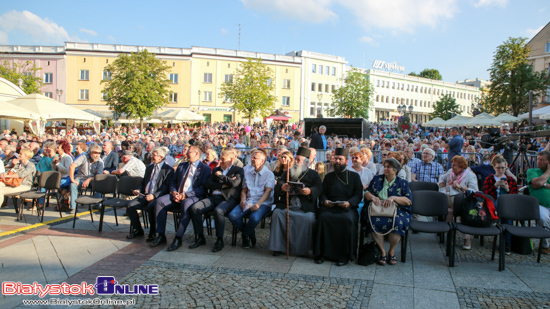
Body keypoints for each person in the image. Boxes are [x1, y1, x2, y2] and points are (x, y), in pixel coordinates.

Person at [150, 145, 211, 250]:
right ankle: (160, 235)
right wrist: (173, 191)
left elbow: (203, 188)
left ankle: (178, 238)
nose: (186, 154)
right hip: (177, 194)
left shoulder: (205, 168)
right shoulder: (182, 165)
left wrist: (185, 195)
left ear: (196, 154)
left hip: (193, 196)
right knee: (159, 202)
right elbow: (173, 181)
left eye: (189, 152)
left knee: (186, 204)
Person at [268, 147, 322, 256]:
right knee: (277, 214)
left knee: (309, 219)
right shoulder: (288, 172)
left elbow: (319, 188)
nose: (295, 162)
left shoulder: (314, 174)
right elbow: (280, 183)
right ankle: (278, 247)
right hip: (288, 204)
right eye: (295, 159)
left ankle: (304, 249)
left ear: (306, 162)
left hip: (304, 207)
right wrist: (283, 187)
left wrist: (309, 191)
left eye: (298, 160)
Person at [314, 148, 363, 266]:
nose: (337, 161)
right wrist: (325, 201)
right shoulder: (329, 176)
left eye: (340, 159)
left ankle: (344, 256)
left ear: (346, 161)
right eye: (335, 159)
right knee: (323, 218)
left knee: (348, 220)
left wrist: (349, 203)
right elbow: (323, 192)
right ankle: (321, 254)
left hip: (347, 208)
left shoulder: (354, 177)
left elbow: (358, 194)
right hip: (330, 206)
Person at [188, 149, 244, 252]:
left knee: (218, 211)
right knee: (195, 208)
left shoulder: (238, 170)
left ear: (231, 160)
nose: (220, 161)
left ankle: (219, 240)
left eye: (223, 159)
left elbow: (234, 184)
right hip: (213, 197)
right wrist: (223, 184)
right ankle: (200, 237)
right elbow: (208, 184)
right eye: (220, 159)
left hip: (228, 199)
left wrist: (220, 176)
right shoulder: (216, 169)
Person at [363, 158, 412, 266]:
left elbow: (408, 201)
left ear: (395, 170)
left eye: (388, 167)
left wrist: (393, 198)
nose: (385, 169)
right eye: (384, 166)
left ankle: (392, 250)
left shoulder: (402, 183)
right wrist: (372, 197)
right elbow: (366, 192)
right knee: (373, 221)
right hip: (377, 209)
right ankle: (383, 252)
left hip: (397, 210)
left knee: (397, 222)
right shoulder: (377, 179)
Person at [229, 149, 275, 248]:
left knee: (254, 218)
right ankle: (250, 233)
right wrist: (243, 199)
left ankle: (245, 235)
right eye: (252, 157)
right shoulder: (248, 172)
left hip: (263, 202)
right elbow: (244, 189)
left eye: (255, 158)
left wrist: (258, 204)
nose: (252, 159)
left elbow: (268, 192)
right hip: (249, 200)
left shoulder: (269, 174)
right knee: (232, 215)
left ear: (262, 161)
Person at [126, 147, 174, 240]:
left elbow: (166, 188)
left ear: (160, 157)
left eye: (154, 155)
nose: (151, 156)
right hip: (145, 195)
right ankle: (138, 230)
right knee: (130, 206)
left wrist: (154, 196)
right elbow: (144, 182)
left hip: (157, 197)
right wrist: (139, 190)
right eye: (151, 154)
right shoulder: (149, 167)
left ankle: (152, 233)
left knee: (151, 207)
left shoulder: (168, 170)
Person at [439, 155, 479, 250]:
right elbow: (442, 178)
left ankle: (466, 239)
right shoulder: (450, 172)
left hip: (464, 201)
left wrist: (460, 187)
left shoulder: (470, 175)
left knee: (462, 214)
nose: (452, 167)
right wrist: (442, 185)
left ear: (462, 167)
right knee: (449, 211)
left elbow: (475, 191)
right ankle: (451, 236)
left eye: (454, 166)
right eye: (452, 165)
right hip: (450, 200)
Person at [482, 154, 518, 255]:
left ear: (506, 167)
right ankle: (505, 241)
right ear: (494, 167)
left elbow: (514, 197)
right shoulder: (489, 178)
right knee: (501, 205)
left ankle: (507, 244)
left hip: (507, 205)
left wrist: (507, 190)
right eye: (498, 168)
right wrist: (495, 186)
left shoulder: (510, 180)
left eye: (503, 168)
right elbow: (486, 195)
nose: (501, 170)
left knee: (507, 216)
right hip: (492, 204)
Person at [68, 144, 104, 214]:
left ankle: (96, 204)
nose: (97, 155)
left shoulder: (100, 161)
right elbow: (72, 166)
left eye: (99, 153)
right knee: (73, 185)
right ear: (90, 152)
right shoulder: (83, 157)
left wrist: (89, 179)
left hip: (92, 180)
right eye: (95, 153)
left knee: (99, 182)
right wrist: (72, 179)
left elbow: (99, 175)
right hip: (81, 178)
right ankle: (73, 207)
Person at [526, 150, 550, 254]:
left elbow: (540, 183)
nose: (538, 161)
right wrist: (549, 171)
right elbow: (537, 182)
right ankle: (545, 245)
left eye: (542, 160)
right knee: (543, 218)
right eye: (538, 159)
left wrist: (543, 185)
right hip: (540, 205)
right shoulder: (532, 171)